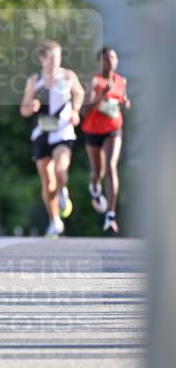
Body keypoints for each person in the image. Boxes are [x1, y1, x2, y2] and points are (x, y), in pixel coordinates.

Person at [20, 39, 84, 238]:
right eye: (52, 58)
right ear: (42, 58)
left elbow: (79, 92)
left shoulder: (67, 75)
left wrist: (75, 110)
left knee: (60, 170)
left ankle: (63, 190)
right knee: (47, 182)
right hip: (41, 133)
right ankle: (54, 221)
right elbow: (24, 109)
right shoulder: (34, 80)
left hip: (63, 132)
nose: (56, 61)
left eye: (58, 57)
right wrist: (31, 107)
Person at [81, 47, 131, 233]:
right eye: (106, 58)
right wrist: (102, 95)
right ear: (100, 62)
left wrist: (125, 102)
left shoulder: (122, 81)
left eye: (113, 57)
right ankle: (94, 186)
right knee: (98, 171)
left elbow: (122, 100)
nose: (110, 61)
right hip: (93, 130)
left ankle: (110, 216)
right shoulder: (94, 81)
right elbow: (85, 111)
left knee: (111, 166)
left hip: (113, 129)